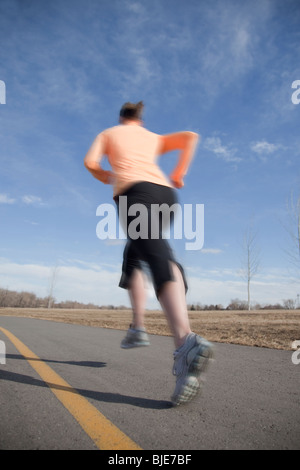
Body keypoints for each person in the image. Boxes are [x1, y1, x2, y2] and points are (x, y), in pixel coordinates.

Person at [84, 101, 213, 405]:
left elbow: (90, 162)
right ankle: (138, 328)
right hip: (166, 195)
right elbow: (190, 137)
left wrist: (106, 176)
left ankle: (185, 341)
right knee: (140, 249)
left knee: (152, 249)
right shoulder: (151, 137)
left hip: (135, 192)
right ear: (140, 120)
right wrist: (179, 172)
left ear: (121, 118)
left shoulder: (109, 133)